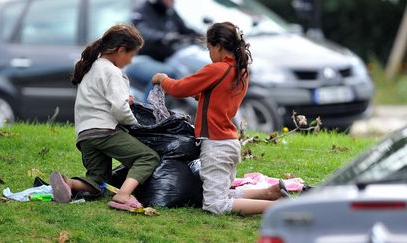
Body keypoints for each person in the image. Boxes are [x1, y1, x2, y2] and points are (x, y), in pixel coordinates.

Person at [151, 22, 289, 216]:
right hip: (229, 142)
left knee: (216, 204)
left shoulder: (216, 69)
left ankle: (278, 208)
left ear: (218, 46)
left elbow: (180, 88)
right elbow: (214, 97)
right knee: (224, 193)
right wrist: (198, 94)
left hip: (216, 145)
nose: (209, 53)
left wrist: (162, 79)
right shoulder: (241, 71)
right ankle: (269, 193)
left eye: (208, 48)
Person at [49, 24, 160, 210]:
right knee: (148, 157)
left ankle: (68, 183)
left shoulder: (91, 68)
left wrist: (125, 101)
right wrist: (137, 126)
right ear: (121, 50)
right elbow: (119, 109)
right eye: (131, 56)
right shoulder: (112, 71)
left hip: (85, 136)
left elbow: (102, 100)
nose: (130, 61)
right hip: (104, 132)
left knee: (98, 181)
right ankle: (123, 196)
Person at [126, 0, 200, 101]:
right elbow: (140, 31)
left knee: (182, 71)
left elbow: (185, 29)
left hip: (163, 60)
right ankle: (148, 112)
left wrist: (203, 36)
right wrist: (163, 37)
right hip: (140, 59)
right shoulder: (141, 11)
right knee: (165, 73)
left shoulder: (170, 12)